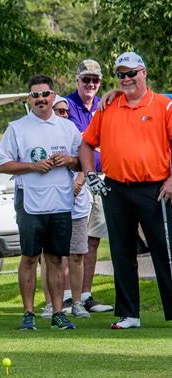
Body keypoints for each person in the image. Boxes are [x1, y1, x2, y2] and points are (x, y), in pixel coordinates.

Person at [80, 51, 172, 329]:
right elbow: (86, 144)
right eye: (121, 74)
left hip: (155, 188)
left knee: (165, 251)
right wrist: (89, 174)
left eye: (132, 72)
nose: (126, 78)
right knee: (121, 253)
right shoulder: (108, 106)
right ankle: (129, 314)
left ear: (143, 72)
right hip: (116, 189)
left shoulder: (164, 105)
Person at [0, 74, 82, 330]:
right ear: (29, 99)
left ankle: (58, 312)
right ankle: (28, 313)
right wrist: (32, 166)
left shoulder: (68, 128)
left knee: (56, 258)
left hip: (60, 202)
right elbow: (1, 164)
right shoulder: (17, 127)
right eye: (35, 95)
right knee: (30, 258)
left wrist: (67, 160)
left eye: (45, 94)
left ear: (53, 96)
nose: (40, 99)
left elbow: (82, 161)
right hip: (30, 201)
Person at [64, 59, 113, 313]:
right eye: (86, 79)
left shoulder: (106, 105)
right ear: (77, 80)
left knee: (92, 240)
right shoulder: (66, 105)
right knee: (71, 241)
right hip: (76, 180)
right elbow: (79, 144)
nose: (91, 84)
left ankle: (85, 295)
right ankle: (65, 296)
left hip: (101, 178)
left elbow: (106, 142)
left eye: (95, 80)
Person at [39, 96, 91, 319]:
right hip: (51, 205)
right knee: (50, 256)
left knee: (76, 255)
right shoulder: (41, 134)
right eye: (57, 110)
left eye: (65, 111)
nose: (62, 114)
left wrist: (78, 182)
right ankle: (51, 304)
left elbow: (85, 162)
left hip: (76, 206)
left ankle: (78, 302)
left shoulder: (74, 133)